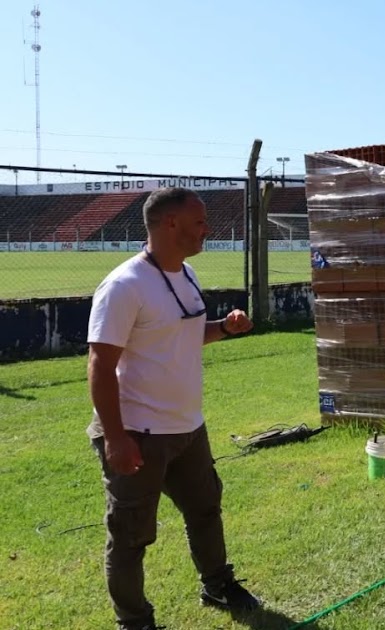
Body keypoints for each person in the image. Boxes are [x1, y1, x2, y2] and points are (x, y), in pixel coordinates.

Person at [87, 187, 260, 630]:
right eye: (200, 222)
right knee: (131, 537)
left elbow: (180, 334)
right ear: (170, 225)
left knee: (206, 510)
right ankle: (135, 621)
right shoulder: (125, 285)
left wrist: (224, 328)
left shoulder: (186, 275)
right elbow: (100, 365)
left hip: (188, 428)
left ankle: (217, 584)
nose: (208, 229)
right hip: (138, 433)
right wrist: (116, 437)